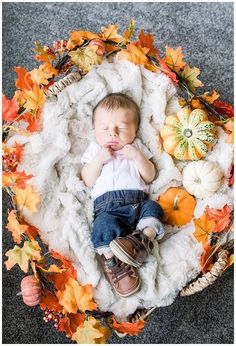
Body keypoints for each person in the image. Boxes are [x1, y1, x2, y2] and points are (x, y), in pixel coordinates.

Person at [81, 92, 165, 297]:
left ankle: (140, 242)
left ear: (135, 130)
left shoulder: (136, 148)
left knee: (154, 209)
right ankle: (114, 262)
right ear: (94, 130)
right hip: (108, 209)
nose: (113, 133)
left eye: (122, 127)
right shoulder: (95, 150)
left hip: (137, 204)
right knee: (102, 227)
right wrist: (98, 161)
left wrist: (137, 157)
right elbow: (87, 180)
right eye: (105, 128)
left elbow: (150, 175)